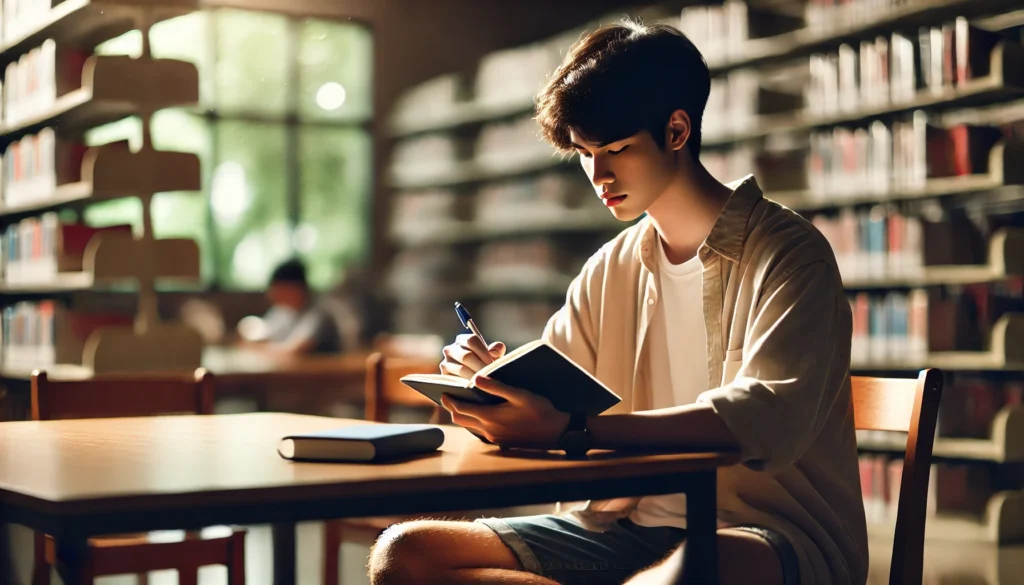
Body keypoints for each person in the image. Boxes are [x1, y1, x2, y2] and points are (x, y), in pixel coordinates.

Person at [368, 19, 867, 585]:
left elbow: (763, 417)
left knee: (690, 570)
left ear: (677, 131)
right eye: (584, 153)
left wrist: (576, 430)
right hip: (621, 527)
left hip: (761, 531)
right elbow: (551, 394)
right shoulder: (612, 267)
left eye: (617, 149)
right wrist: (492, 386)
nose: (599, 175)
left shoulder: (789, 252)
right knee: (404, 554)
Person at [240, 259, 343, 355]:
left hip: (325, 373)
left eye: (279, 290)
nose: (272, 295)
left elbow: (294, 350)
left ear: (295, 288)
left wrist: (255, 348)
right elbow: (264, 333)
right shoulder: (284, 310)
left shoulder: (320, 311)